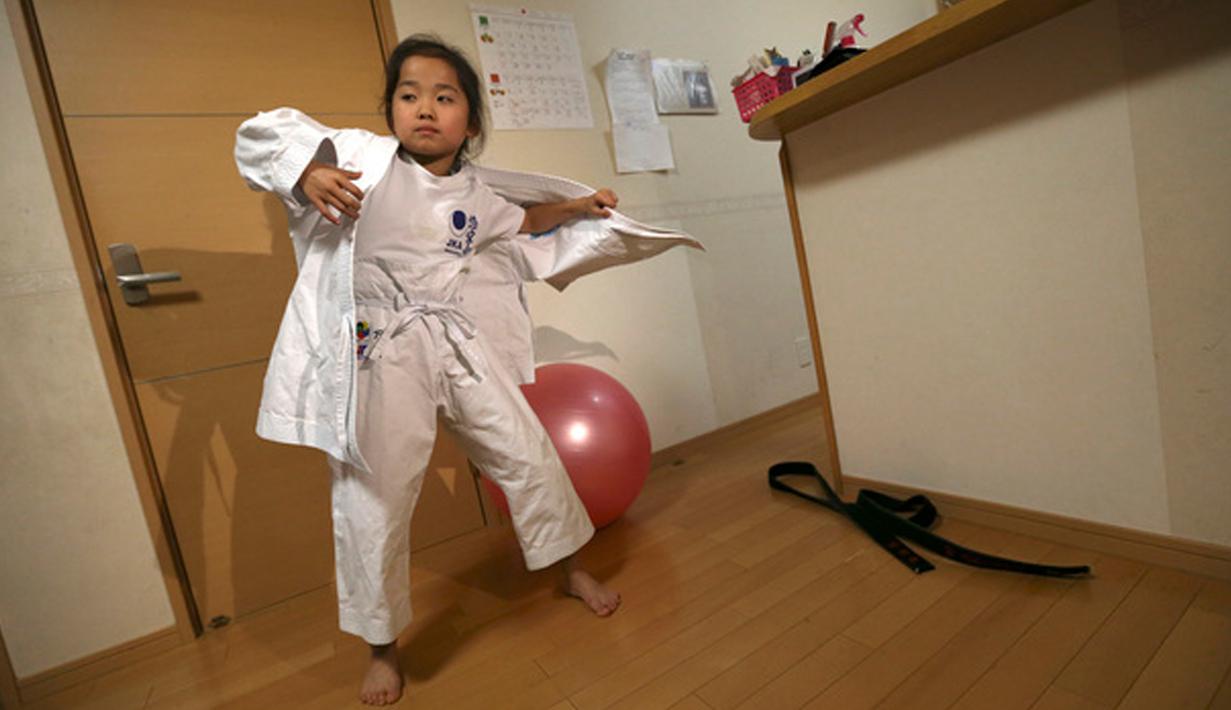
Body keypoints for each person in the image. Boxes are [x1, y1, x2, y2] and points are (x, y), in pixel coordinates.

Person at [233, 34, 697, 706]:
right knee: (374, 496)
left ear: (469, 122)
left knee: (530, 456)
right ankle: (382, 646)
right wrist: (303, 173)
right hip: (376, 345)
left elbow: (522, 220)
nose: (425, 108)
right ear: (390, 109)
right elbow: (259, 136)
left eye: (444, 97)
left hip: (451, 336)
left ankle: (568, 570)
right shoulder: (355, 163)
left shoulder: (475, 193)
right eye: (408, 94)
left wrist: (573, 207)